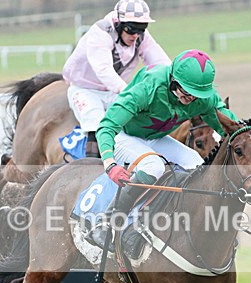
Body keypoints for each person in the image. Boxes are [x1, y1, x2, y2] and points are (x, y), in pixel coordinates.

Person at [87, 48, 238, 254]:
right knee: (153, 165)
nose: (192, 99)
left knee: (197, 165)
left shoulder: (203, 97)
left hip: (154, 137)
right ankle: (106, 222)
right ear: (173, 81)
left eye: (197, 95)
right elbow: (106, 127)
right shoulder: (149, 87)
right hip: (123, 135)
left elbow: (229, 125)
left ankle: (178, 223)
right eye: (187, 93)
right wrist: (109, 164)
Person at [62, 0, 170, 152]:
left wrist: (174, 80)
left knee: (136, 120)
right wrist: (129, 92)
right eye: (131, 29)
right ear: (119, 24)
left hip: (112, 91)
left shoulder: (140, 36)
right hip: (84, 89)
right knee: (97, 123)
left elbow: (160, 62)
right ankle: (90, 163)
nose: (135, 35)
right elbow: (104, 70)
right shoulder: (100, 33)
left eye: (141, 29)